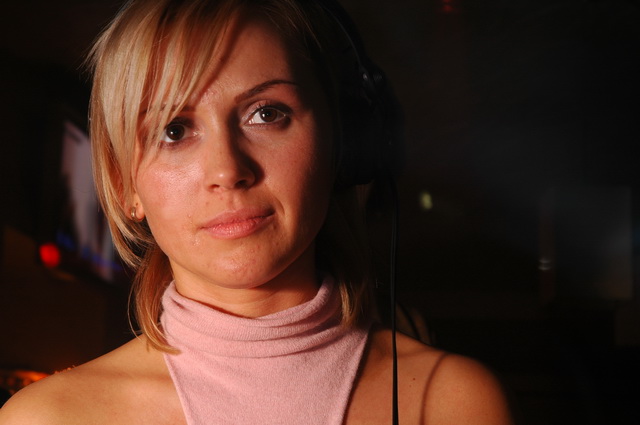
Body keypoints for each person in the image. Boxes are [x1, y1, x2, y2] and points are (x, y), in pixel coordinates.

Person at [0, 0, 515, 423]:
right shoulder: (46, 419)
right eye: (174, 130)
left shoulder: (455, 402)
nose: (227, 170)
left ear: (342, 146)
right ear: (123, 184)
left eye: (266, 113)